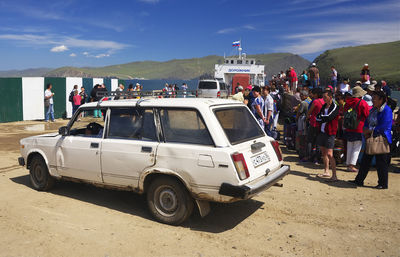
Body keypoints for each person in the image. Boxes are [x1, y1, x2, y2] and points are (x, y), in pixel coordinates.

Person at [349, 91, 392, 189]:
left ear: (381, 100)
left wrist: (370, 131)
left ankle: (383, 183)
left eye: (375, 98)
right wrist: (365, 130)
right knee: (365, 160)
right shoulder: (373, 110)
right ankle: (359, 180)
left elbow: (385, 126)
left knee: (381, 162)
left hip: (381, 139)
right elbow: (367, 121)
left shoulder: (387, 110)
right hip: (370, 137)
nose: (373, 100)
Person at [343, 86, 370, 172]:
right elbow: (366, 114)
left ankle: (348, 163)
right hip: (359, 127)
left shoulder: (347, 102)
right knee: (357, 147)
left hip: (348, 127)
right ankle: (352, 165)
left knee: (350, 145)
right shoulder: (362, 103)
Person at [316, 90, 339, 181]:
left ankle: (334, 175)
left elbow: (329, 117)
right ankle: (326, 171)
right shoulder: (324, 106)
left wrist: (321, 118)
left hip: (330, 132)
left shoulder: (335, 106)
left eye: (325, 97)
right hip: (322, 131)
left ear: (330, 97)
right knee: (324, 152)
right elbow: (318, 116)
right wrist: (321, 118)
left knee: (330, 154)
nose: (323, 99)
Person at [306, 88, 324, 162]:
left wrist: (307, 117)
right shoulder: (324, 101)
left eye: (313, 94)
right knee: (318, 141)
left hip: (313, 122)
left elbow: (309, 112)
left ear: (316, 94)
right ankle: (317, 158)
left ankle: (310, 156)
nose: (312, 95)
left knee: (310, 140)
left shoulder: (316, 101)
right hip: (321, 124)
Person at [296, 90, 311, 161]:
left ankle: (302, 154)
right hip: (308, 121)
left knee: (302, 137)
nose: (300, 96)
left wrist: (296, 118)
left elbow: (299, 112)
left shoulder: (303, 103)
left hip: (302, 120)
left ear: (305, 96)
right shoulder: (310, 101)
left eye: (301, 95)